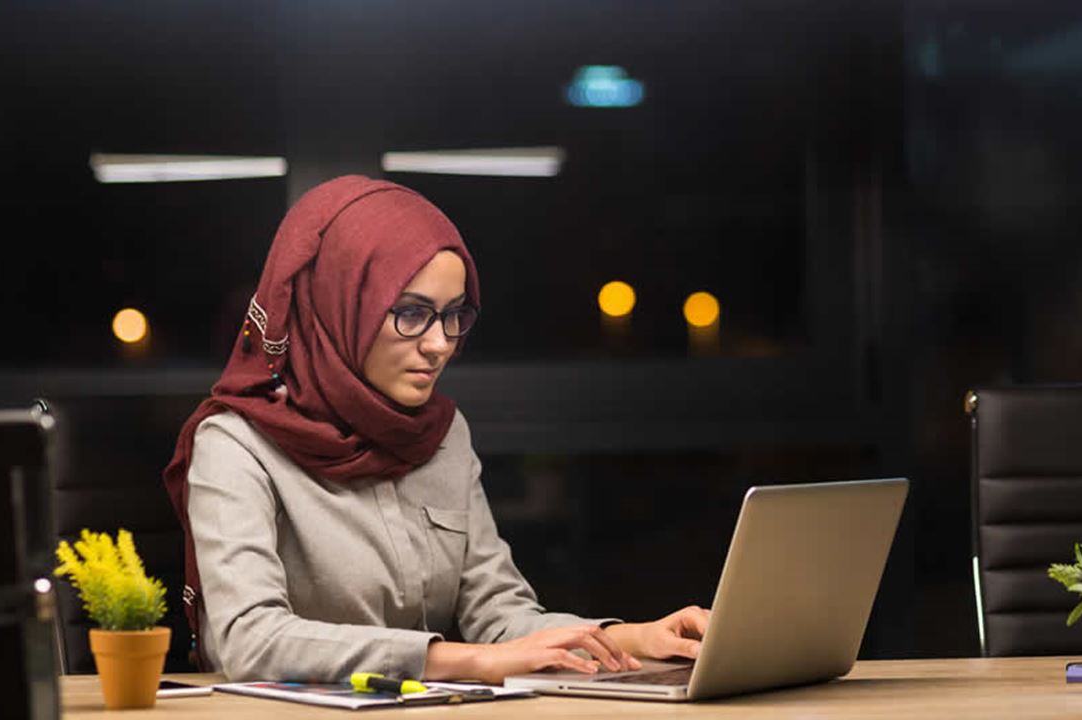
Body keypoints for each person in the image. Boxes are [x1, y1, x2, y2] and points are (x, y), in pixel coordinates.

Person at [163, 175, 709, 683]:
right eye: (411, 313)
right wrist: (461, 659)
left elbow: (500, 615)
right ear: (338, 305)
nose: (440, 343)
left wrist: (624, 638)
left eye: (454, 315)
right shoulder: (237, 445)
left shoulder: (441, 436)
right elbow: (247, 641)